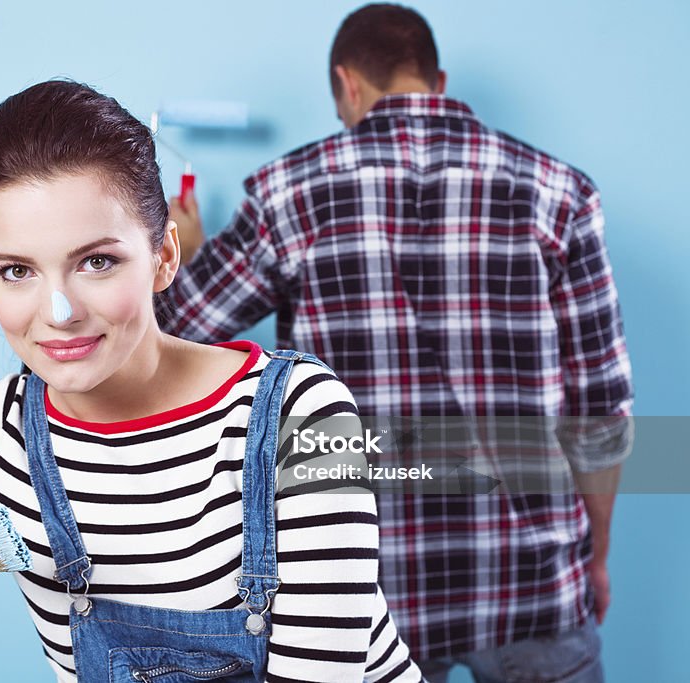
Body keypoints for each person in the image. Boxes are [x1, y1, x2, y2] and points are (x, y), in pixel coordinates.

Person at [0, 80, 426, 682]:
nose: (58, 313)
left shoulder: (304, 417)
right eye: (17, 271)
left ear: (164, 255)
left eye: (96, 261)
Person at [161, 4, 633, 683]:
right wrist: (595, 555)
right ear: (436, 82)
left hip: (365, 597)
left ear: (346, 84)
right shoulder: (561, 195)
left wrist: (191, 254)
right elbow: (603, 412)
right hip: (534, 579)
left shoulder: (287, 194)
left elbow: (173, 331)